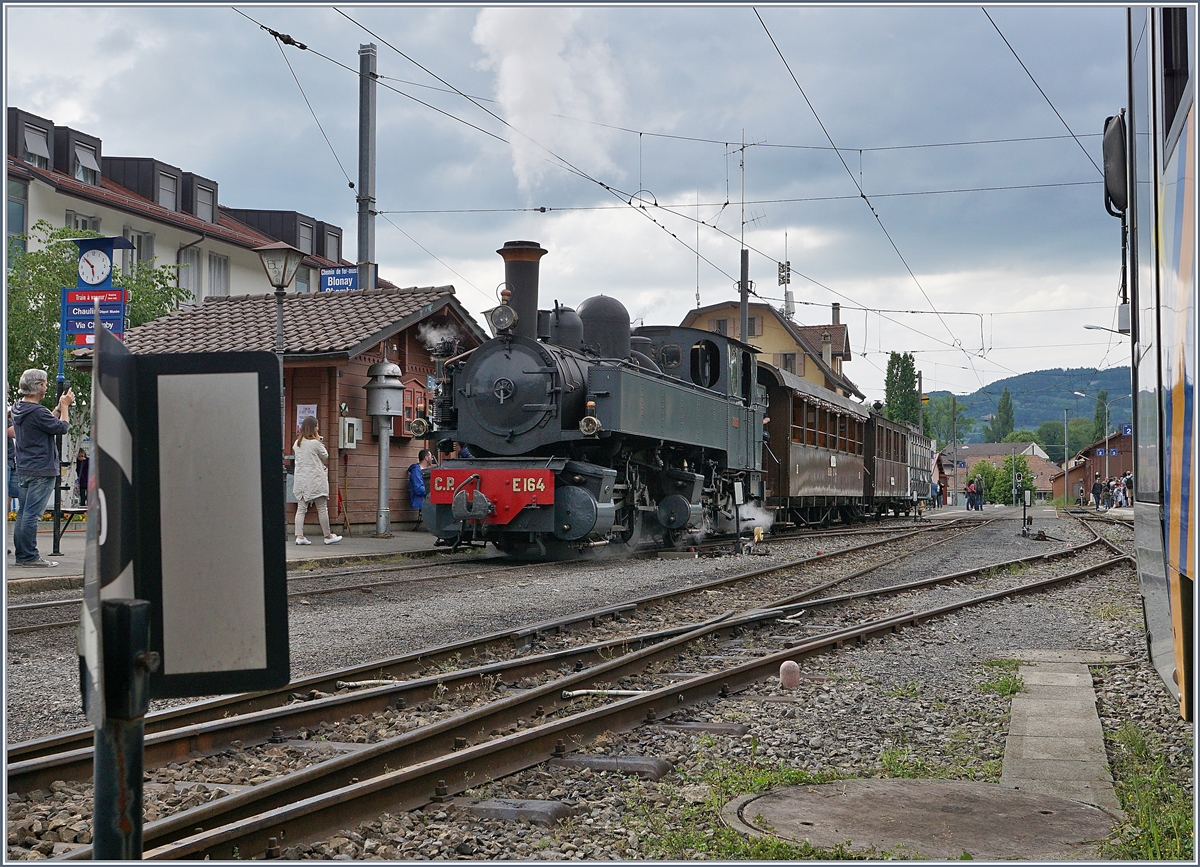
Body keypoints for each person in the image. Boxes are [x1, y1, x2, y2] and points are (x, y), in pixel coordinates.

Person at [11, 369, 73, 567]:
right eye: (45, 384)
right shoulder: (37, 412)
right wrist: (65, 407)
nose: (46, 387)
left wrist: (56, 408)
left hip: (25, 468)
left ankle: (22, 555)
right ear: (38, 387)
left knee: (23, 513)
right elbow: (62, 427)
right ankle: (29, 557)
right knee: (32, 515)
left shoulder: (18, 408)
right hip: (42, 469)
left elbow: (47, 423)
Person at [291, 416, 341, 546]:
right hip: (315, 479)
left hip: (301, 480)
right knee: (322, 508)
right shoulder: (315, 443)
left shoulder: (297, 443)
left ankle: (299, 536)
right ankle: (328, 536)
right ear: (313, 428)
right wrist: (319, 440)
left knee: (301, 508)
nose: (318, 428)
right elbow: (325, 456)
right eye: (317, 426)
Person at [408, 448, 434, 513]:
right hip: (420, 503)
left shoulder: (426, 471)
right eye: (431, 457)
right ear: (426, 458)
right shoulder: (416, 471)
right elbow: (419, 489)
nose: (432, 459)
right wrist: (433, 492)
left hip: (426, 502)